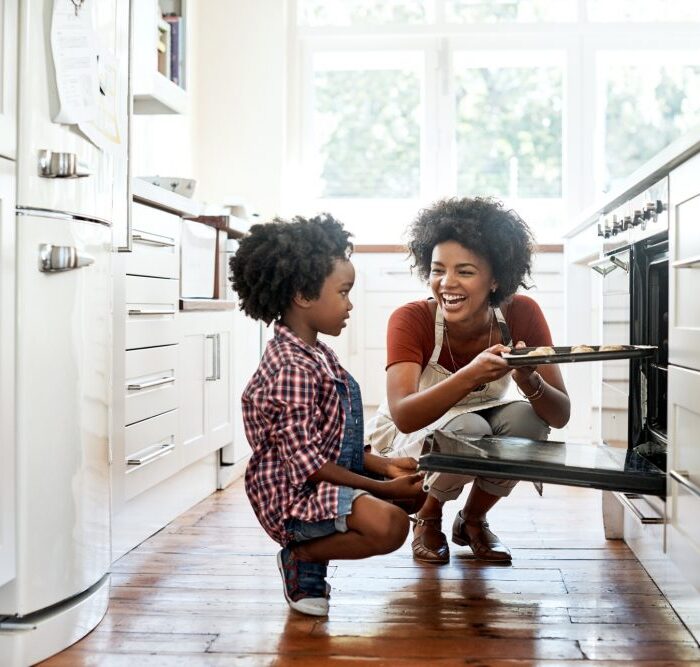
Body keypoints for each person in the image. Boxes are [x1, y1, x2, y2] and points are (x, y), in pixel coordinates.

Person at [229, 213, 425, 617]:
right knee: (391, 526)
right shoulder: (291, 368)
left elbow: (331, 443)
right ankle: (301, 558)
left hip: (319, 480)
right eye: (343, 292)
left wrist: (386, 467)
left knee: (417, 493)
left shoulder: (317, 353)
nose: (350, 304)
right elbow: (309, 465)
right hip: (293, 498)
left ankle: (314, 551)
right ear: (303, 295)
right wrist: (383, 489)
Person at [365, 197, 570, 565]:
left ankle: (473, 520)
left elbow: (560, 415)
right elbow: (405, 416)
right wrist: (471, 373)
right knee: (468, 427)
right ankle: (428, 517)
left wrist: (528, 380)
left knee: (527, 420)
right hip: (413, 432)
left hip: (484, 417)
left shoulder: (521, 313)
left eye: (465, 271)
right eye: (437, 270)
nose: (447, 283)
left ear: (496, 279)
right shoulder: (411, 319)